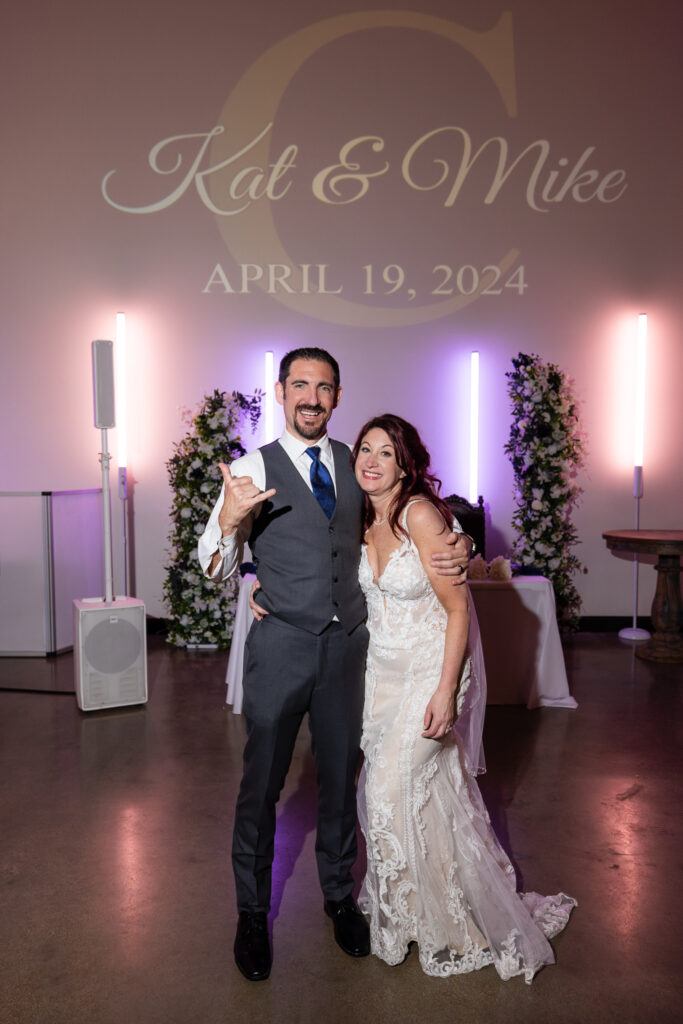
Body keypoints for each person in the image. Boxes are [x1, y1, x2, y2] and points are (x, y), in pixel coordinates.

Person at [197, 349, 471, 982]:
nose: (312, 397)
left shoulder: (356, 463)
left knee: (342, 783)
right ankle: (250, 913)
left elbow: (409, 513)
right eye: (300, 385)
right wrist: (232, 535)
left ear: (338, 395)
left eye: (324, 387)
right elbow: (210, 564)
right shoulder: (247, 468)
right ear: (280, 391)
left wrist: (459, 540)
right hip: (282, 648)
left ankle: (340, 899)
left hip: (350, 649)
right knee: (262, 787)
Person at [351, 413, 576, 982]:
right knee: (426, 798)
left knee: (385, 791)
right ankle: (421, 910)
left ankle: (414, 920)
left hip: (434, 673)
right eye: (365, 450)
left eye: (385, 452)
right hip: (383, 680)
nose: (371, 461)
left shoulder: (420, 515)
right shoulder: (359, 517)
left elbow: (457, 610)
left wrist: (447, 691)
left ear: (406, 465)